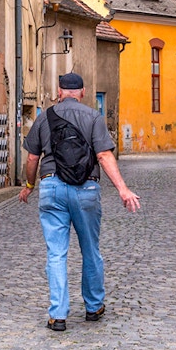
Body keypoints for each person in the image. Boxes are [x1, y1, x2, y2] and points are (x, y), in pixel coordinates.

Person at [19, 73, 140, 332]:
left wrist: (29, 185)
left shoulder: (44, 117)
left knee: (56, 253)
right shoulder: (93, 117)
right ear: (83, 92)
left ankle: (58, 315)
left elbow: (31, 159)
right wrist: (123, 189)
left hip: (51, 186)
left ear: (59, 91)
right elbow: (104, 155)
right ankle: (94, 306)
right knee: (90, 250)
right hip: (86, 188)